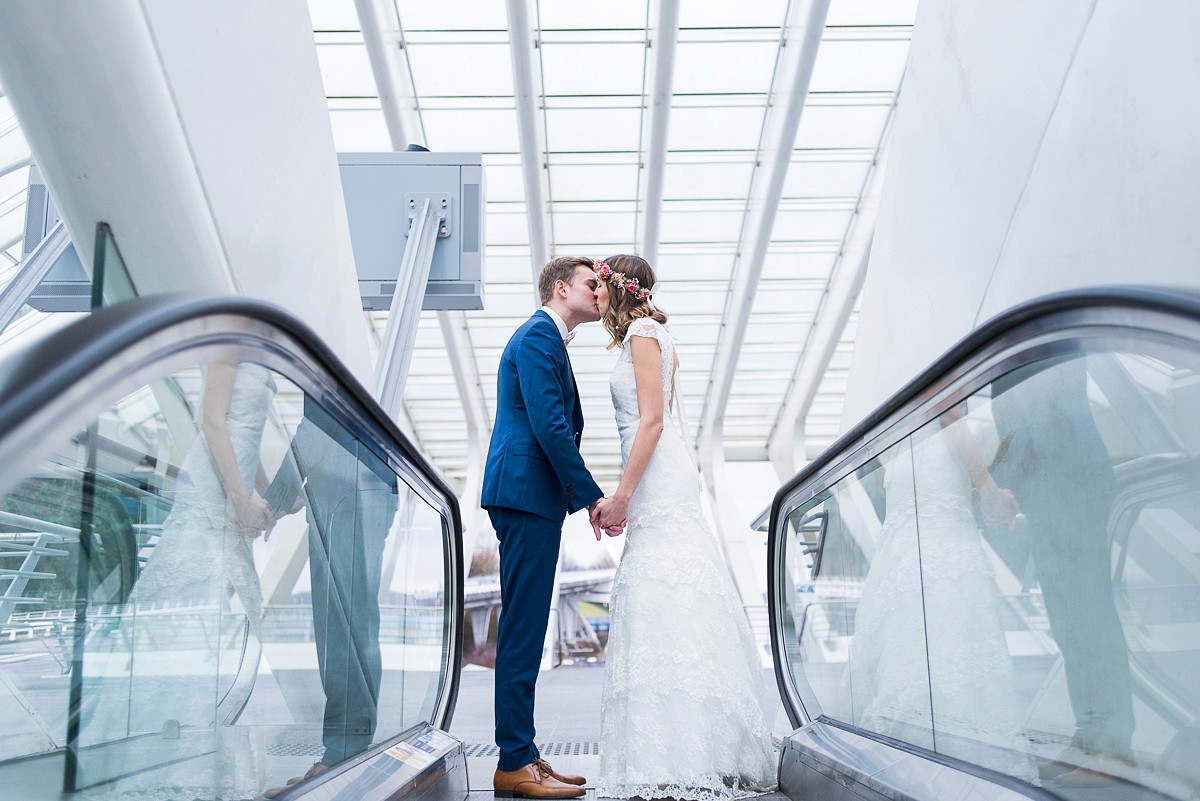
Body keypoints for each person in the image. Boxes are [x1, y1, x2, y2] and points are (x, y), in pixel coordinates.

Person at [591, 255, 776, 801]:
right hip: (654, 467)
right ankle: (682, 745)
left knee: (666, 585)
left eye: (600, 287)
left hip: (656, 471)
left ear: (618, 289)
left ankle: (685, 749)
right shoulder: (646, 335)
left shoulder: (644, 334)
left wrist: (622, 493)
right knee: (666, 590)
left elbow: (651, 419)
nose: (596, 296)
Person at [482, 256, 621, 800]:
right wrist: (592, 496)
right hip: (523, 492)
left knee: (528, 624)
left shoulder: (547, 339)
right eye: (592, 283)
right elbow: (549, 423)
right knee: (522, 628)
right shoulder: (539, 334)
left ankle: (525, 755)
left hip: (529, 494)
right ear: (560, 288)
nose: (600, 291)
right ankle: (514, 761)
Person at [846, 404, 1033, 780]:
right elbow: (945, 407)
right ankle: (950, 752)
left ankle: (905, 751)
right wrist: (988, 487)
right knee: (947, 581)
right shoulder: (930, 353)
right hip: (937, 461)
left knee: (916, 586)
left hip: (911, 466)